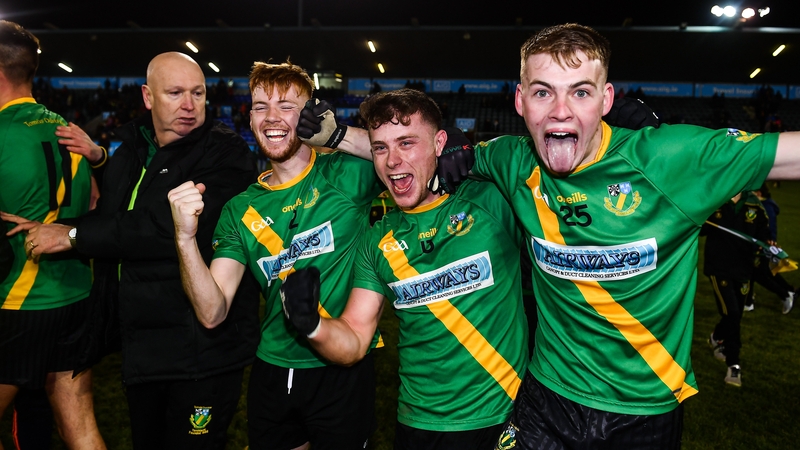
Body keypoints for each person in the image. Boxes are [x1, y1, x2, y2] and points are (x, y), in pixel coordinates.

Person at [300, 23, 800, 450]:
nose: (560, 110)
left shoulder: (668, 159)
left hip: (645, 409)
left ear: (606, 99)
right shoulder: (511, 160)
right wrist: (337, 137)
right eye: (543, 91)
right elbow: (411, 154)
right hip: (547, 397)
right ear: (521, 101)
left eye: (580, 91)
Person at [5, 52, 261, 449]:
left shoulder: (226, 154)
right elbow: (122, 209)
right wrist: (100, 161)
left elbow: (158, 225)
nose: (189, 105)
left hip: (202, 354)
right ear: (147, 96)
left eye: (198, 93)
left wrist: (70, 236)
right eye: (175, 93)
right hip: (144, 351)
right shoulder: (134, 149)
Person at [282, 89, 530, 450]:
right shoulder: (377, 240)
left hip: (504, 416)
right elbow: (353, 338)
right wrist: (313, 325)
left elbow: (548, 161)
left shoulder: (492, 199)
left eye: (407, 143)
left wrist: (476, 154)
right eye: (380, 148)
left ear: (440, 142)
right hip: (418, 423)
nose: (392, 161)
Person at [168, 61, 385, 450]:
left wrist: (338, 135)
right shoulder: (239, 209)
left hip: (341, 366)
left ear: (309, 114)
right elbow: (212, 311)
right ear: (249, 119)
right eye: (260, 106)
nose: (272, 117)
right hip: (272, 368)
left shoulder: (346, 174)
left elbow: (409, 155)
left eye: (287, 105)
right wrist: (184, 239)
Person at [0, 20, 105, 450]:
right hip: (76, 295)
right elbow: (95, 201)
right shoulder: (67, 128)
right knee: (79, 426)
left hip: (18, 300)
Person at [702, 191, 769, 386]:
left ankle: (716, 336)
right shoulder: (717, 198)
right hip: (719, 268)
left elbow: (763, 232)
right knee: (732, 313)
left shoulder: (754, 204)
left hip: (744, 269)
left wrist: (768, 243)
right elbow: (699, 228)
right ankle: (734, 365)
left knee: (736, 315)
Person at [744, 183, 796, 313]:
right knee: (759, 272)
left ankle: (785, 294)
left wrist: (764, 246)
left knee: (758, 274)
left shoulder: (766, 207)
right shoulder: (765, 206)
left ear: (759, 193)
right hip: (758, 246)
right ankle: (749, 302)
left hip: (762, 247)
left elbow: (768, 230)